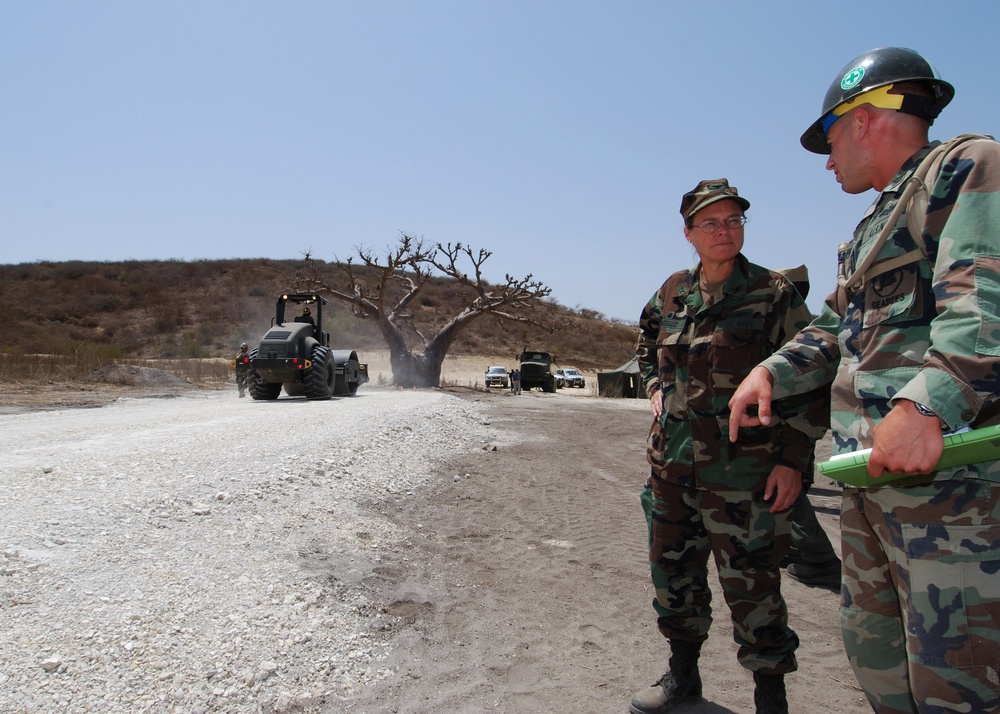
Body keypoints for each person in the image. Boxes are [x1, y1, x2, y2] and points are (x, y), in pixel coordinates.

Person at [728, 47, 1000, 713]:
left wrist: (928, 405)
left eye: (828, 141)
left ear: (864, 120)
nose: (827, 161)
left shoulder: (970, 167)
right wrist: (769, 370)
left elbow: (983, 302)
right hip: (873, 484)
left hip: (952, 497)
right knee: (879, 663)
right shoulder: (874, 223)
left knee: (957, 681)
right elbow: (833, 326)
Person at [630, 179, 829, 714]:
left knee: (754, 591)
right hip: (672, 470)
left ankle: (770, 698)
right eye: (711, 222)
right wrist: (653, 386)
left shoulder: (774, 292)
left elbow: (811, 377)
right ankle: (682, 676)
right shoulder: (672, 291)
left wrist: (792, 461)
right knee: (674, 579)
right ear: (690, 232)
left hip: (745, 476)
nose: (725, 230)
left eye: (734, 220)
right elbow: (647, 342)